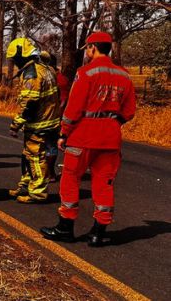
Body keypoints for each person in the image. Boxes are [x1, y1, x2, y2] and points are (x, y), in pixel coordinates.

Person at [40, 32, 136, 247]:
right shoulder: (124, 75)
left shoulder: (86, 72)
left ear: (93, 47)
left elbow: (73, 108)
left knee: (70, 179)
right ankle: (98, 232)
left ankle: (65, 227)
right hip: (111, 138)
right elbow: (129, 111)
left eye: (87, 48)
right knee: (105, 184)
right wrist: (112, 122)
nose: (86, 52)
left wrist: (63, 133)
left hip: (83, 136)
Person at [6, 38, 61, 204]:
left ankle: (37, 193)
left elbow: (29, 104)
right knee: (28, 156)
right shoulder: (45, 68)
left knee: (36, 158)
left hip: (39, 124)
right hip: (49, 121)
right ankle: (25, 185)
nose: (14, 63)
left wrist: (15, 125)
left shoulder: (32, 74)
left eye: (15, 59)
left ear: (21, 55)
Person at [39, 51, 70, 181]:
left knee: (50, 145)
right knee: (46, 145)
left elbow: (64, 100)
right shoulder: (53, 77)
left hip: (54, 118)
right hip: (48, 116)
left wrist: (57, 115)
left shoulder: (59, 79)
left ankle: (50, 173)